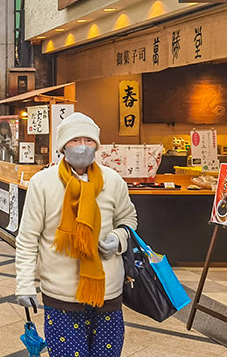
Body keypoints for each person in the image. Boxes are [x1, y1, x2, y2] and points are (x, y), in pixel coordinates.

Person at [14, 113, 138, 357]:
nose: (82, 146)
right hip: (61, 296)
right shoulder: (42, 183)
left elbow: (128, 220)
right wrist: (24, 285)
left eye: (89, 140)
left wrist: (118, 239)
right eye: (75, 140)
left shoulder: (113, 181)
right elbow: (28, 239)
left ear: (97, 145)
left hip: (107, 293)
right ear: (63, 146)